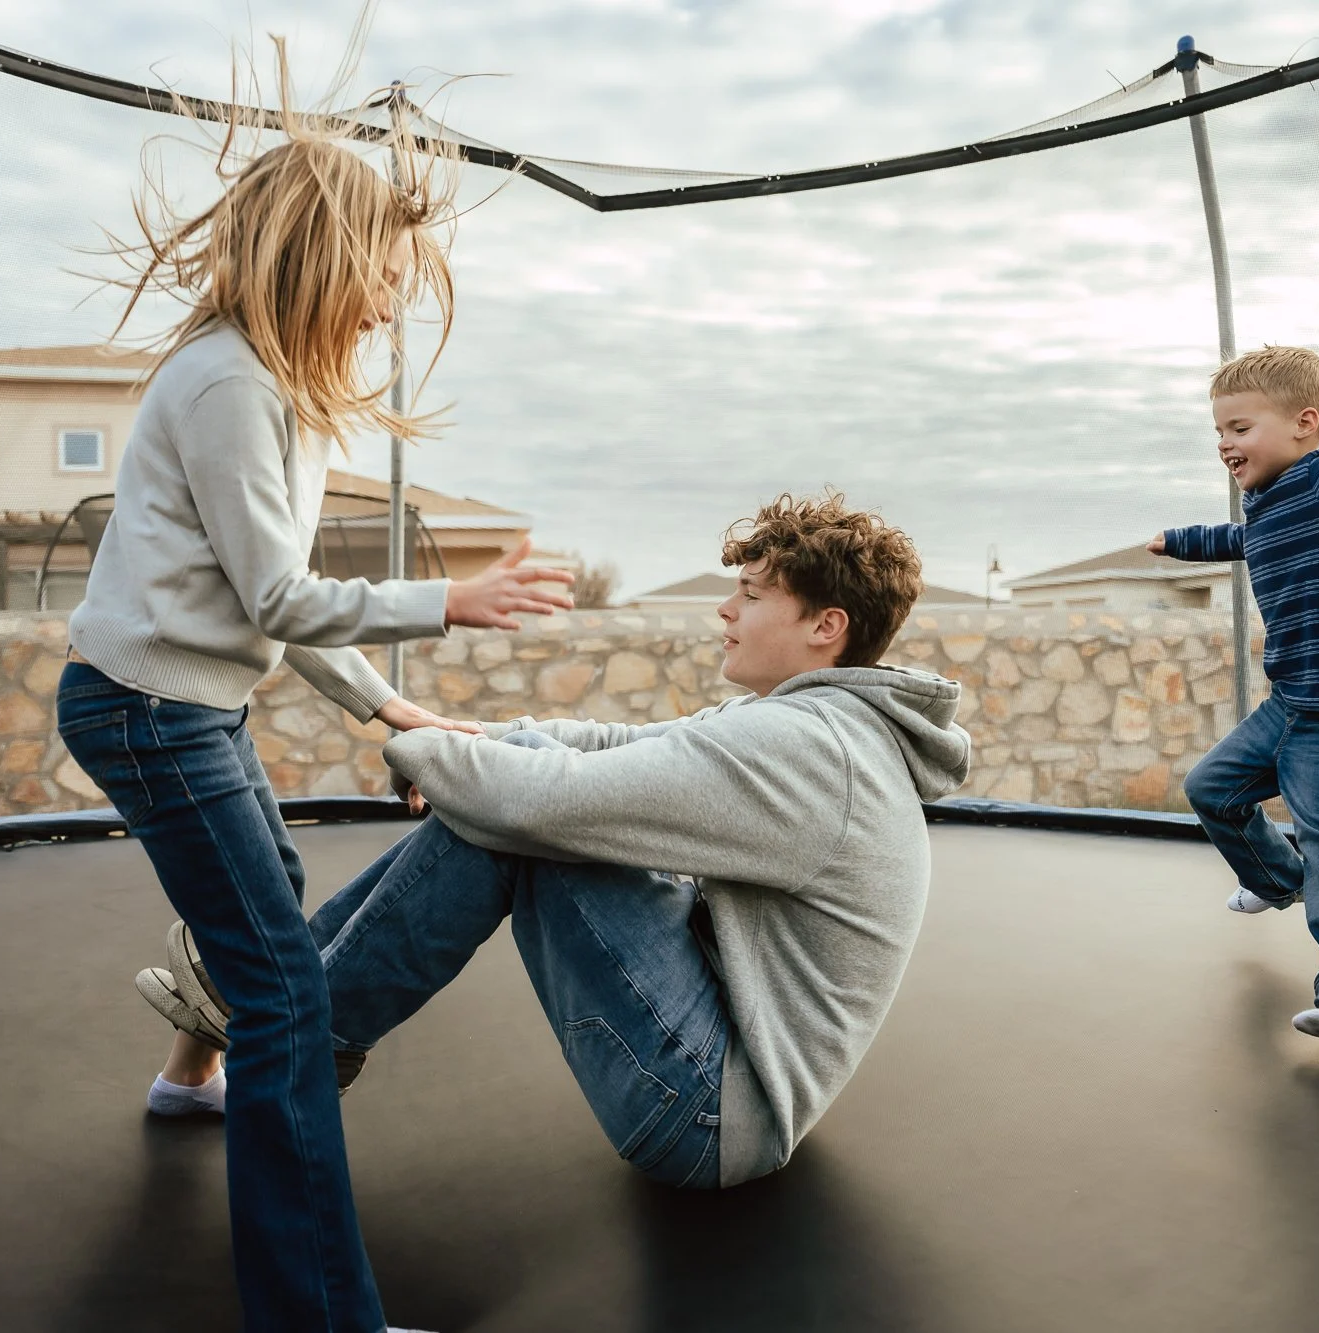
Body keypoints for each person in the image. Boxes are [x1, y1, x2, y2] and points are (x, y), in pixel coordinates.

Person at [57, 71, 572, 1333]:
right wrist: (445, 607)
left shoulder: (276, 392)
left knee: (264, 905)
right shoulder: (229, 382)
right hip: (143, 710)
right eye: (384, 269)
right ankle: (319, 1315)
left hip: (181, 702)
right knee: (286, 997)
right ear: (319, 255)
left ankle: (189, 1082)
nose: (395, 296)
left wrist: (388, 713)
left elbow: (265, 610)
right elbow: (283, 597)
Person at [141, 492, 971, 1188]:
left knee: (523, 817)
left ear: (826, 627)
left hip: (712, 1115)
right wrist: (468, 733)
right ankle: (289, 1010)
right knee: (518, 789)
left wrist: (416, 746)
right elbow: (625, 747)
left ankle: (297, 1032)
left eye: (752, 595)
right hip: (727, 1070)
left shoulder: (813, 751)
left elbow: (553, 800)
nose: (726, 608)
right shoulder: (808, 722)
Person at [1146, 345, 1319, 1057]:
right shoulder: (1269, 504)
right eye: (1219, 432)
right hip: (1293, 700)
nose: (1224, 444)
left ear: (1306, 423)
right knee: (1211, 787)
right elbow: (1243, 539)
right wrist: (1180, 542)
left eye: (1240, 428)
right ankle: (1275, 880)